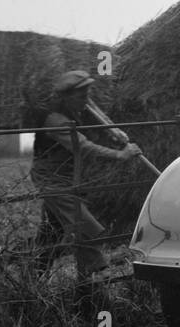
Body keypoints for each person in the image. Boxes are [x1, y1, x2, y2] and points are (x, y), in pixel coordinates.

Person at [30, 70, 141, 278]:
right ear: (67, 97)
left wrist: (114, 132)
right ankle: (97, 271)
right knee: (84, 223)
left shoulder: (79, 105)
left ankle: (34, 273)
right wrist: (120, 155)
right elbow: (83, 147)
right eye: (82, 96)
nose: (86, 100)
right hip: (50, 178)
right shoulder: (56, 120)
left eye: (87, 94)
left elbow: (98, 115)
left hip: (68, 175)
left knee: (51, 232)